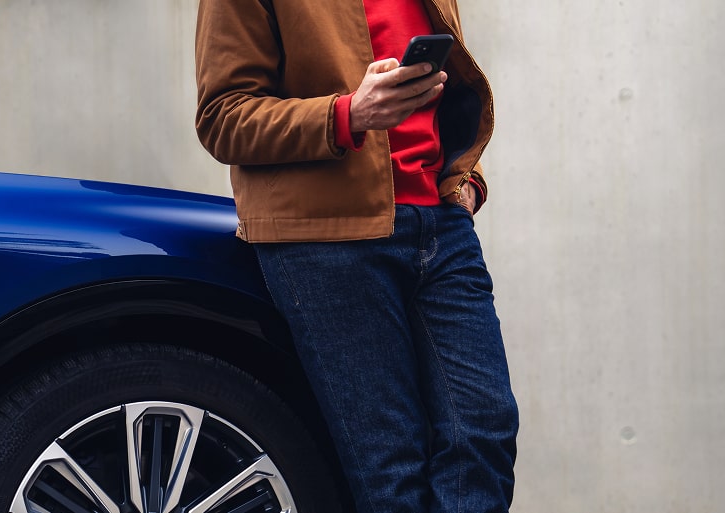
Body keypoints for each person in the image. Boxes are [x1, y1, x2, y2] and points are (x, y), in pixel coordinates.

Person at [195, 1, 518, 512]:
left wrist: (467, 181)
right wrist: (347, 115)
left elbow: (446, 93)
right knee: (390, 464)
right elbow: (222, 118)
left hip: (441, 224)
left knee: (484, 430)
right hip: (326, 235)